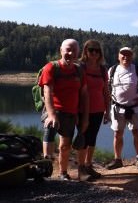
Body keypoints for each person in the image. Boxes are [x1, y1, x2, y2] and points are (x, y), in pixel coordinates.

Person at [39, 39, 89, 180]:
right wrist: (51, 114)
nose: (70, 53)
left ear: (78, 53)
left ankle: (63, 173)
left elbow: (85, 95)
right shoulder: (51, 68)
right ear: (61, 50)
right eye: (67, 49)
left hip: (70, 113)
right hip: (53, 111)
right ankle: (45, 171)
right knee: (49, 134)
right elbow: (47, 92)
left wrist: (85, 119)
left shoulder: (79, 71)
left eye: (74, 50)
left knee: (65, 146)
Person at [105, 46, 138, 170]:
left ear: (132, 56)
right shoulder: (112, 70)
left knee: (136, 133)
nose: (125, 57)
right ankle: (118, 159)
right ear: (118, 56)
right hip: (117, 107)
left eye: (128, 54)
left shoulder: (137, 69)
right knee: (117, 134)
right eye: (123, 54)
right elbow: (106, 86)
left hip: (134, 107)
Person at [76, 39, 111, 180]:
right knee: (83, 138)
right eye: (91, 50)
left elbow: (106, 91)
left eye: (97, 50)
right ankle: (81, 168)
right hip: (82, 110)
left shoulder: (102, 69)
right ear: (86, 51)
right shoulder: (80, 67)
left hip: (98, 109)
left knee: (92, 138)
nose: (94, 53)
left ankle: (89, 165)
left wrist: (107, 111)